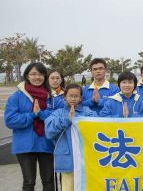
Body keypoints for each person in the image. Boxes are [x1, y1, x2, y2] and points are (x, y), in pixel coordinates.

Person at [4, 62, 55, 191]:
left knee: (48, 181)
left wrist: (41, 114)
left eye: (40, 74)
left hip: (46, 143)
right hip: (25, 145)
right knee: (29, 182)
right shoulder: (16, 97)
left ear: (45, 76)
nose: (37, 77)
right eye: (33, 74)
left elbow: (58, 116)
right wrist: (32, 115)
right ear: (27, 76)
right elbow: (10, 120)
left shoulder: (51, 98)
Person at [45, 84, 97, 191]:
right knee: (68, 187)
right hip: (67, 159)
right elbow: (49, 132)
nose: (73, 98)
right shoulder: (58, 113)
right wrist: (67, 119)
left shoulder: (87, 111)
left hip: (85, 159)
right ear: (65, 96)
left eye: (76, 96)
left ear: (81, 98)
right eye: (70, 95)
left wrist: (79, 119)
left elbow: (97, 126)